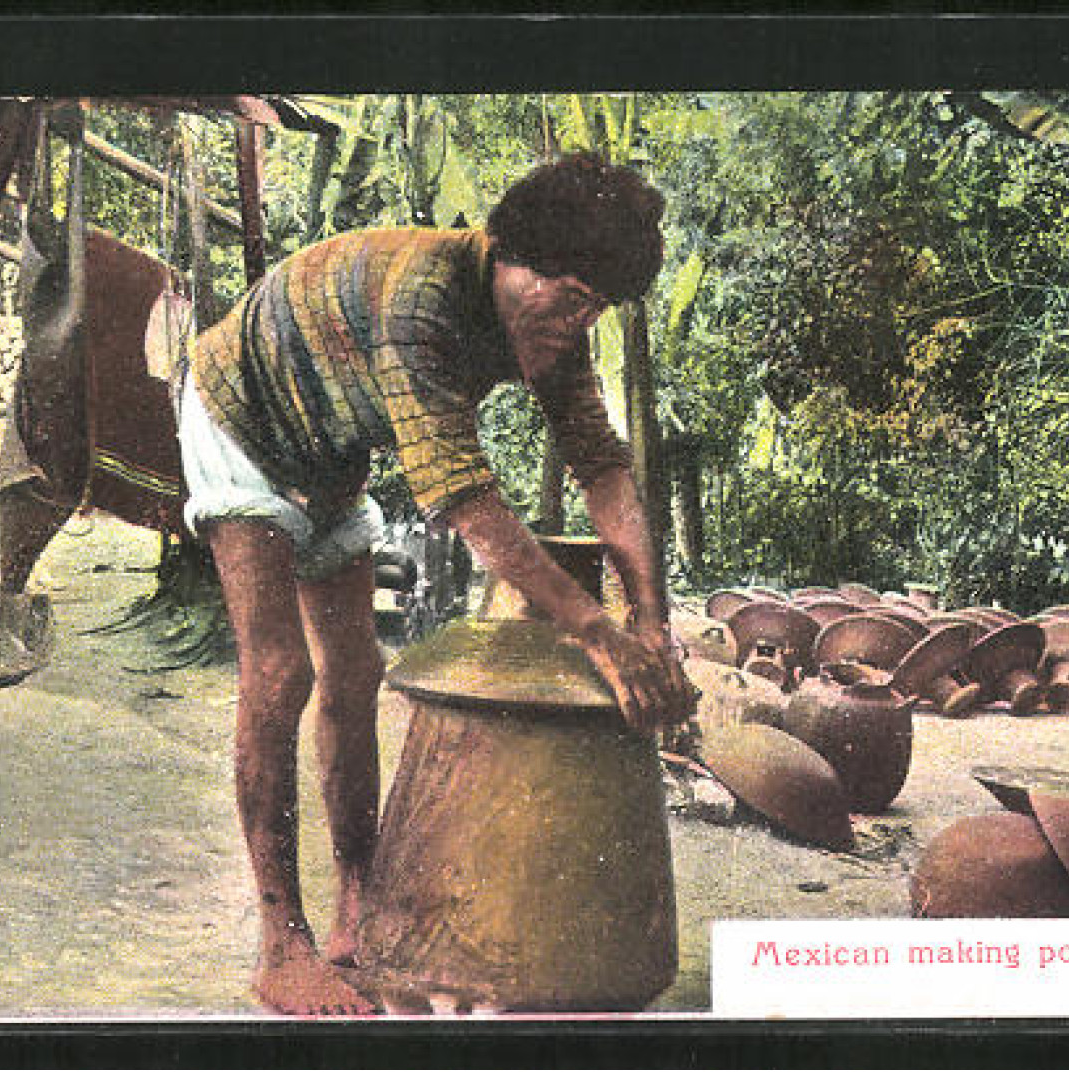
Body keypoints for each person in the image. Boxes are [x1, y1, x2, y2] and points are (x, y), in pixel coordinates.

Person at [175, 152, 694, 1015]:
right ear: (505, 257)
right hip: (243, 421)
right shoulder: (423, 302)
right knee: (280, 674)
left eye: (593, 307)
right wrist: (595, 635)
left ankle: (355, 907)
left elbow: (603, 466)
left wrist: (648, 618)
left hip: (331, 446)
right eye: (567, 298)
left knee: (355, 676)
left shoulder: (556, 326)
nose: (576, 322)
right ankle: (281, 946)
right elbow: (464, 501)